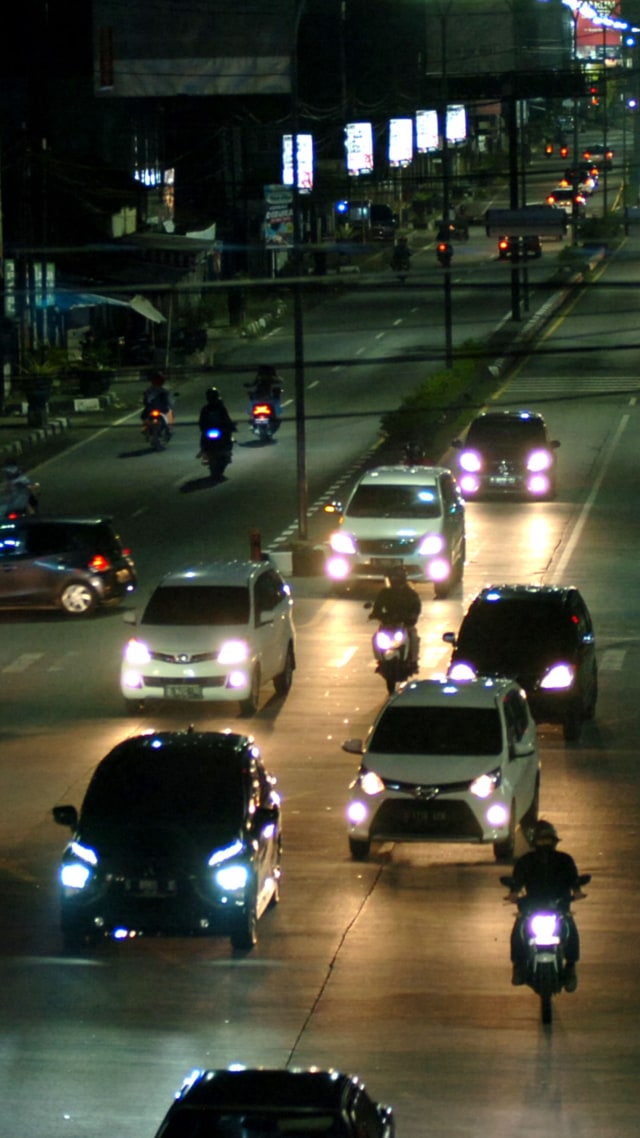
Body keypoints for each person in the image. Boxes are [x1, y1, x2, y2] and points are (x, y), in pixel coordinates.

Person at [506, 819, 586, 991]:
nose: (545, 844)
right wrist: (513, 893)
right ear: (535, 842)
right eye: (542, 840)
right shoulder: (526, 861)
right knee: (519, 929)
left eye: (548, 840)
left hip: (559, 906)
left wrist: (577, 892)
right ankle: (519, 966)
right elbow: (517, 881)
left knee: (570, 928)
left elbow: (574, 880)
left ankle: (571, 967)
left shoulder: (565, 860)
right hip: (531, 906)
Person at [369, 565, 421, 670]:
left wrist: (411, 617)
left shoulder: (410, 594)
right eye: (392, 578)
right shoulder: (384, 593)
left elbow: (416, 608)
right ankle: (380, 658)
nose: (394, 581)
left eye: (397, 578)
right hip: (388, 624)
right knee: (376, 637)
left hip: (405, 624)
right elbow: (377, 607)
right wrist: (375, 614)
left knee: (413, 637)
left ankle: (413, 660)